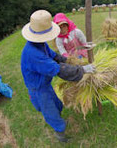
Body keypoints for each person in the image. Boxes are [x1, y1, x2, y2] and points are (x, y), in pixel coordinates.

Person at [21, 10, 95, 143]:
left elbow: (54, 56)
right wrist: (82, 70)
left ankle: (59, 121)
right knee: (50, 111)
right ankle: (60, 134)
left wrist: (68, 60)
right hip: (38, 88)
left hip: (45, 84)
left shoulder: (40, 45)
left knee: (56, 104)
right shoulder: (33, 54)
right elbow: (59, 70)